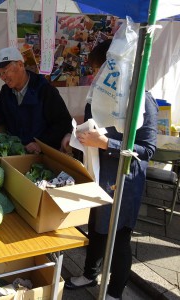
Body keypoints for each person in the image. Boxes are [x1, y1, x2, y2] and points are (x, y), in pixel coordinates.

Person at [63, 40, 158, 300]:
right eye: (96, 71)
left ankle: (115, 292)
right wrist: (75, 139)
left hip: (124, 180)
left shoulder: (142, 99)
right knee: (96, 228)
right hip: (98, 174)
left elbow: (148, 149)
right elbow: (90, 126)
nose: (96, 77)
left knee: (119, 237)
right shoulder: (98, 96)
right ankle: (89, 274)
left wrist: (107, 144)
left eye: (100, 70)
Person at [0, 47, 72, 153]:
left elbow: (63, 123)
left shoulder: (44, 89)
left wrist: (40, 143)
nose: (3, 77)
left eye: (5, 71)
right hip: (17, 153)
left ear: (20, 65)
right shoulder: (6, 91)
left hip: (42, 155)